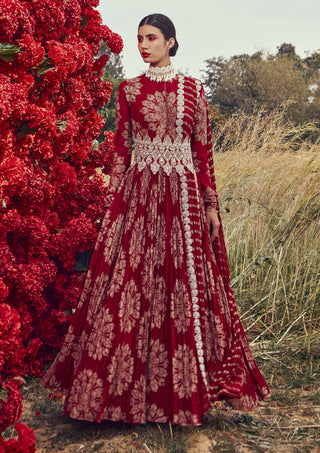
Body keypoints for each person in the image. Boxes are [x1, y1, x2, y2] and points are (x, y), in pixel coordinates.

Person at [41, 13, 270, 426]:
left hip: (183, 197)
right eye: (139, 38)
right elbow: (121, 149)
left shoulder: (194, 89)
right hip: (139, 197)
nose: (143, 45)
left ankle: (185, 394)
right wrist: (112, 201)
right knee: (131, 286)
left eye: (151, 38)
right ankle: (121, 398)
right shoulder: (128, 89)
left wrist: (212, 205)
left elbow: (203, 152)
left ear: (170, 42)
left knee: (182, 284)